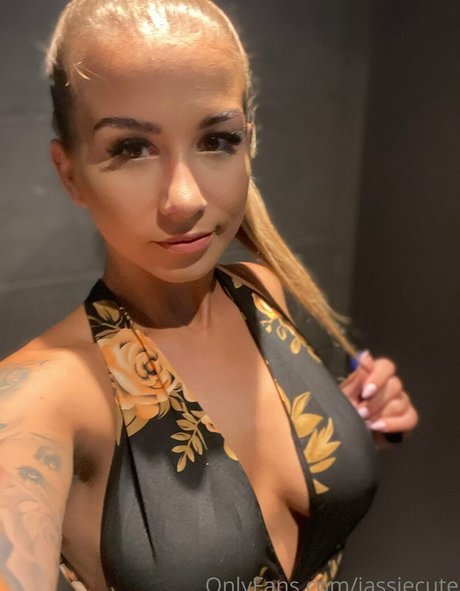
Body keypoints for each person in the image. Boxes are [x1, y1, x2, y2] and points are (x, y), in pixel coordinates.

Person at [0, 1, 419, 590]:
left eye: (217, 140)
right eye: (131, 148)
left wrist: (350, 424)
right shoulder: (39, 399)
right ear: (70, 173)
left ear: (250, 142)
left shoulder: (261, 291)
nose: (185, 199)